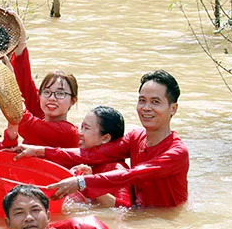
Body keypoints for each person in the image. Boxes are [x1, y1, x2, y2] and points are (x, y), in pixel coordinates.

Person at [11, 70, 189, 208]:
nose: (146, 108)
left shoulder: (177, 152)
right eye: (142, 100)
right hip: (138, 213)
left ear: (173, 109)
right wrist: (39, 151)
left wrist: (81, 182)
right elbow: (92, 154)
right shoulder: (136, 137)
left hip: (165, 221)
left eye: (155, 102)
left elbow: (131, 174)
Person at [4, 16, 79, 148]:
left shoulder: (69, 133)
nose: (52, 98)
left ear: (73, 100)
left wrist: (6, 79)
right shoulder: (42, 114)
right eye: (47, 92)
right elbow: (25, 85)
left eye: (60, 94)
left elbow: (25, 123)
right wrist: (20, 44)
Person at [70, 106, 132, 208]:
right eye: (81, 127)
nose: (80, 133)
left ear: (105, 138)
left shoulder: (116, 169)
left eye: (86, 128)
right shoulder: (84, 163)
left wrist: (90, 183)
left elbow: (123, 208)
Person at [3, 185, 109, 229]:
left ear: (48, 216)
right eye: (19, 213)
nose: (29, 218)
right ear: (8, 223)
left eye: (35, 210)